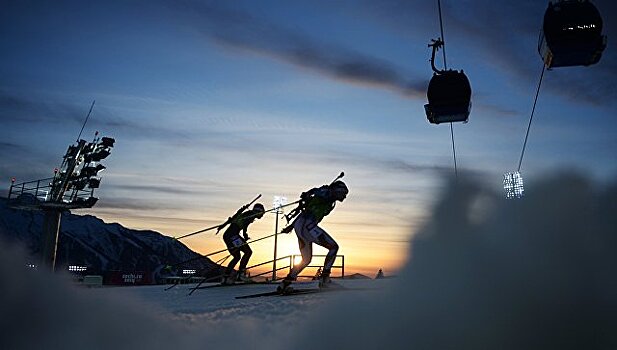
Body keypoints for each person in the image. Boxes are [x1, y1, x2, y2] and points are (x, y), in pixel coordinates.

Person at [278, 180, 349, 292]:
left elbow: (308, 207)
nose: (344, 197)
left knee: (306, 260)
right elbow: (318, 191)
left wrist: (292, 226)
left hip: (301, 225)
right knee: (333, 247)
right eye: (343, 193)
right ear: (337, 190)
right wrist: (311, 193)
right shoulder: (327, 192)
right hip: (308, 226)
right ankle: (325, 280)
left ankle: (285, 284)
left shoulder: (329, 198)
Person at [217, 202, 265, 284]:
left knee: (237, 256)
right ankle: (241, 275)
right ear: (258, 211)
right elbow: (243, 222)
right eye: (262, 213)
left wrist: (244, 234)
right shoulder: (251, 214)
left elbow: (243, 223)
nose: (262, 216)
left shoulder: (249, 214)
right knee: (248, 252)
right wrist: (243, 235)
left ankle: (226, 277)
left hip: (228, 236)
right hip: (233, 236)